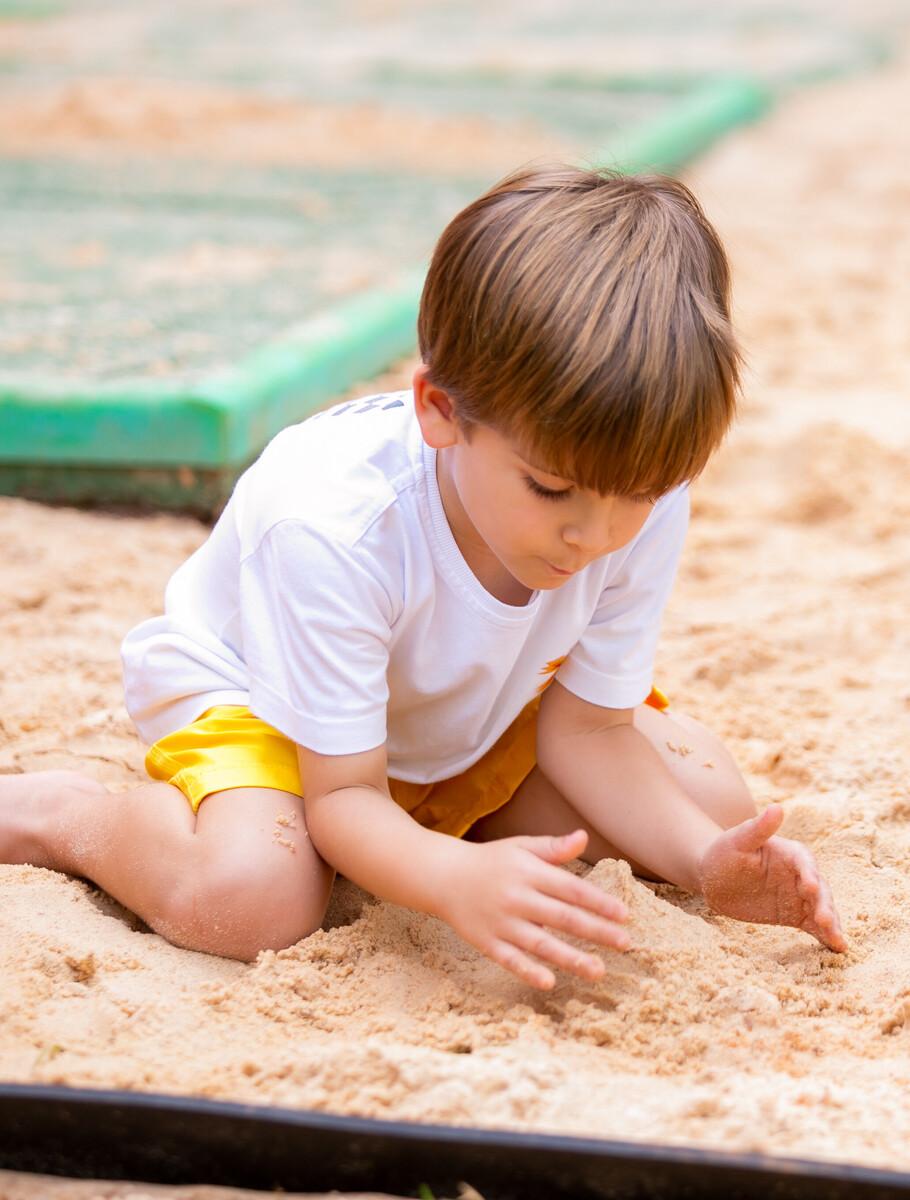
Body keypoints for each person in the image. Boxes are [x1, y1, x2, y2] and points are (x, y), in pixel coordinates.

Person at [0, 164, 845, 989]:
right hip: (278, 717)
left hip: (451, 718)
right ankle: (67, 814)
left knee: (715, 809)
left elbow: (590, 729)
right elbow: (344, 796)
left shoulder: (633, 478)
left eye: (639, 496)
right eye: (551, 489)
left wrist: (703, 862)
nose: (595, 535)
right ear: (441, 410)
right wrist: (449, 878)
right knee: (252, 900)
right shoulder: (333, 523)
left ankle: (443, 824)